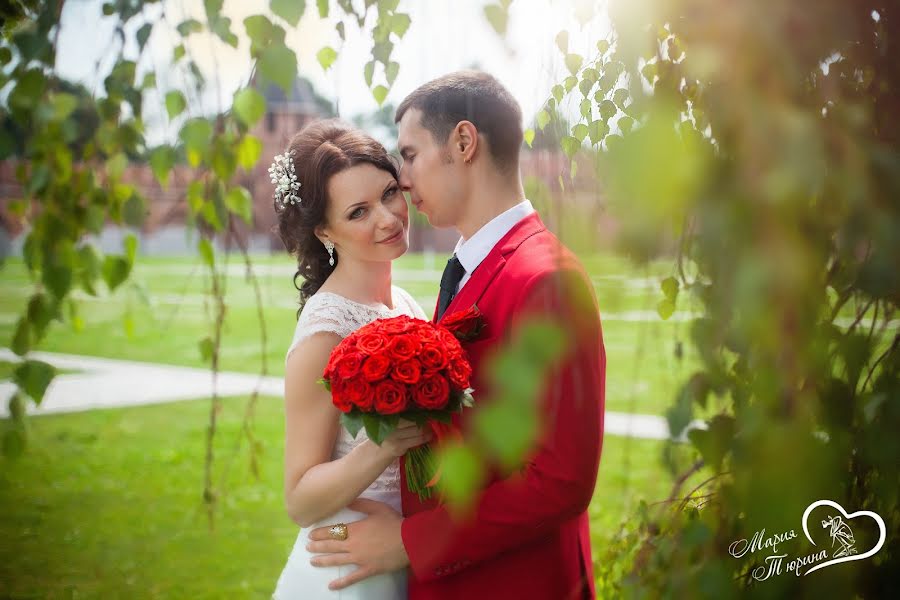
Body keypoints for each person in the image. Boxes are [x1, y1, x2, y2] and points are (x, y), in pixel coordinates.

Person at [305, 71, 607, 599]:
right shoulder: (471, 265)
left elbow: (561, 481)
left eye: (411, 154)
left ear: (463, 143)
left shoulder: (546, 278)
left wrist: (408, 541)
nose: (402, 179)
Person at [270, 119, 432, 599]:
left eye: (388, 193)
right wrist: (381, 448)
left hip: (400, 551)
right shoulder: (325, 332)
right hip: (344, 572)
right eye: (358, 212)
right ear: (324, 230)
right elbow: (300, 501)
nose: (387, 218)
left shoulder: (404, 304)